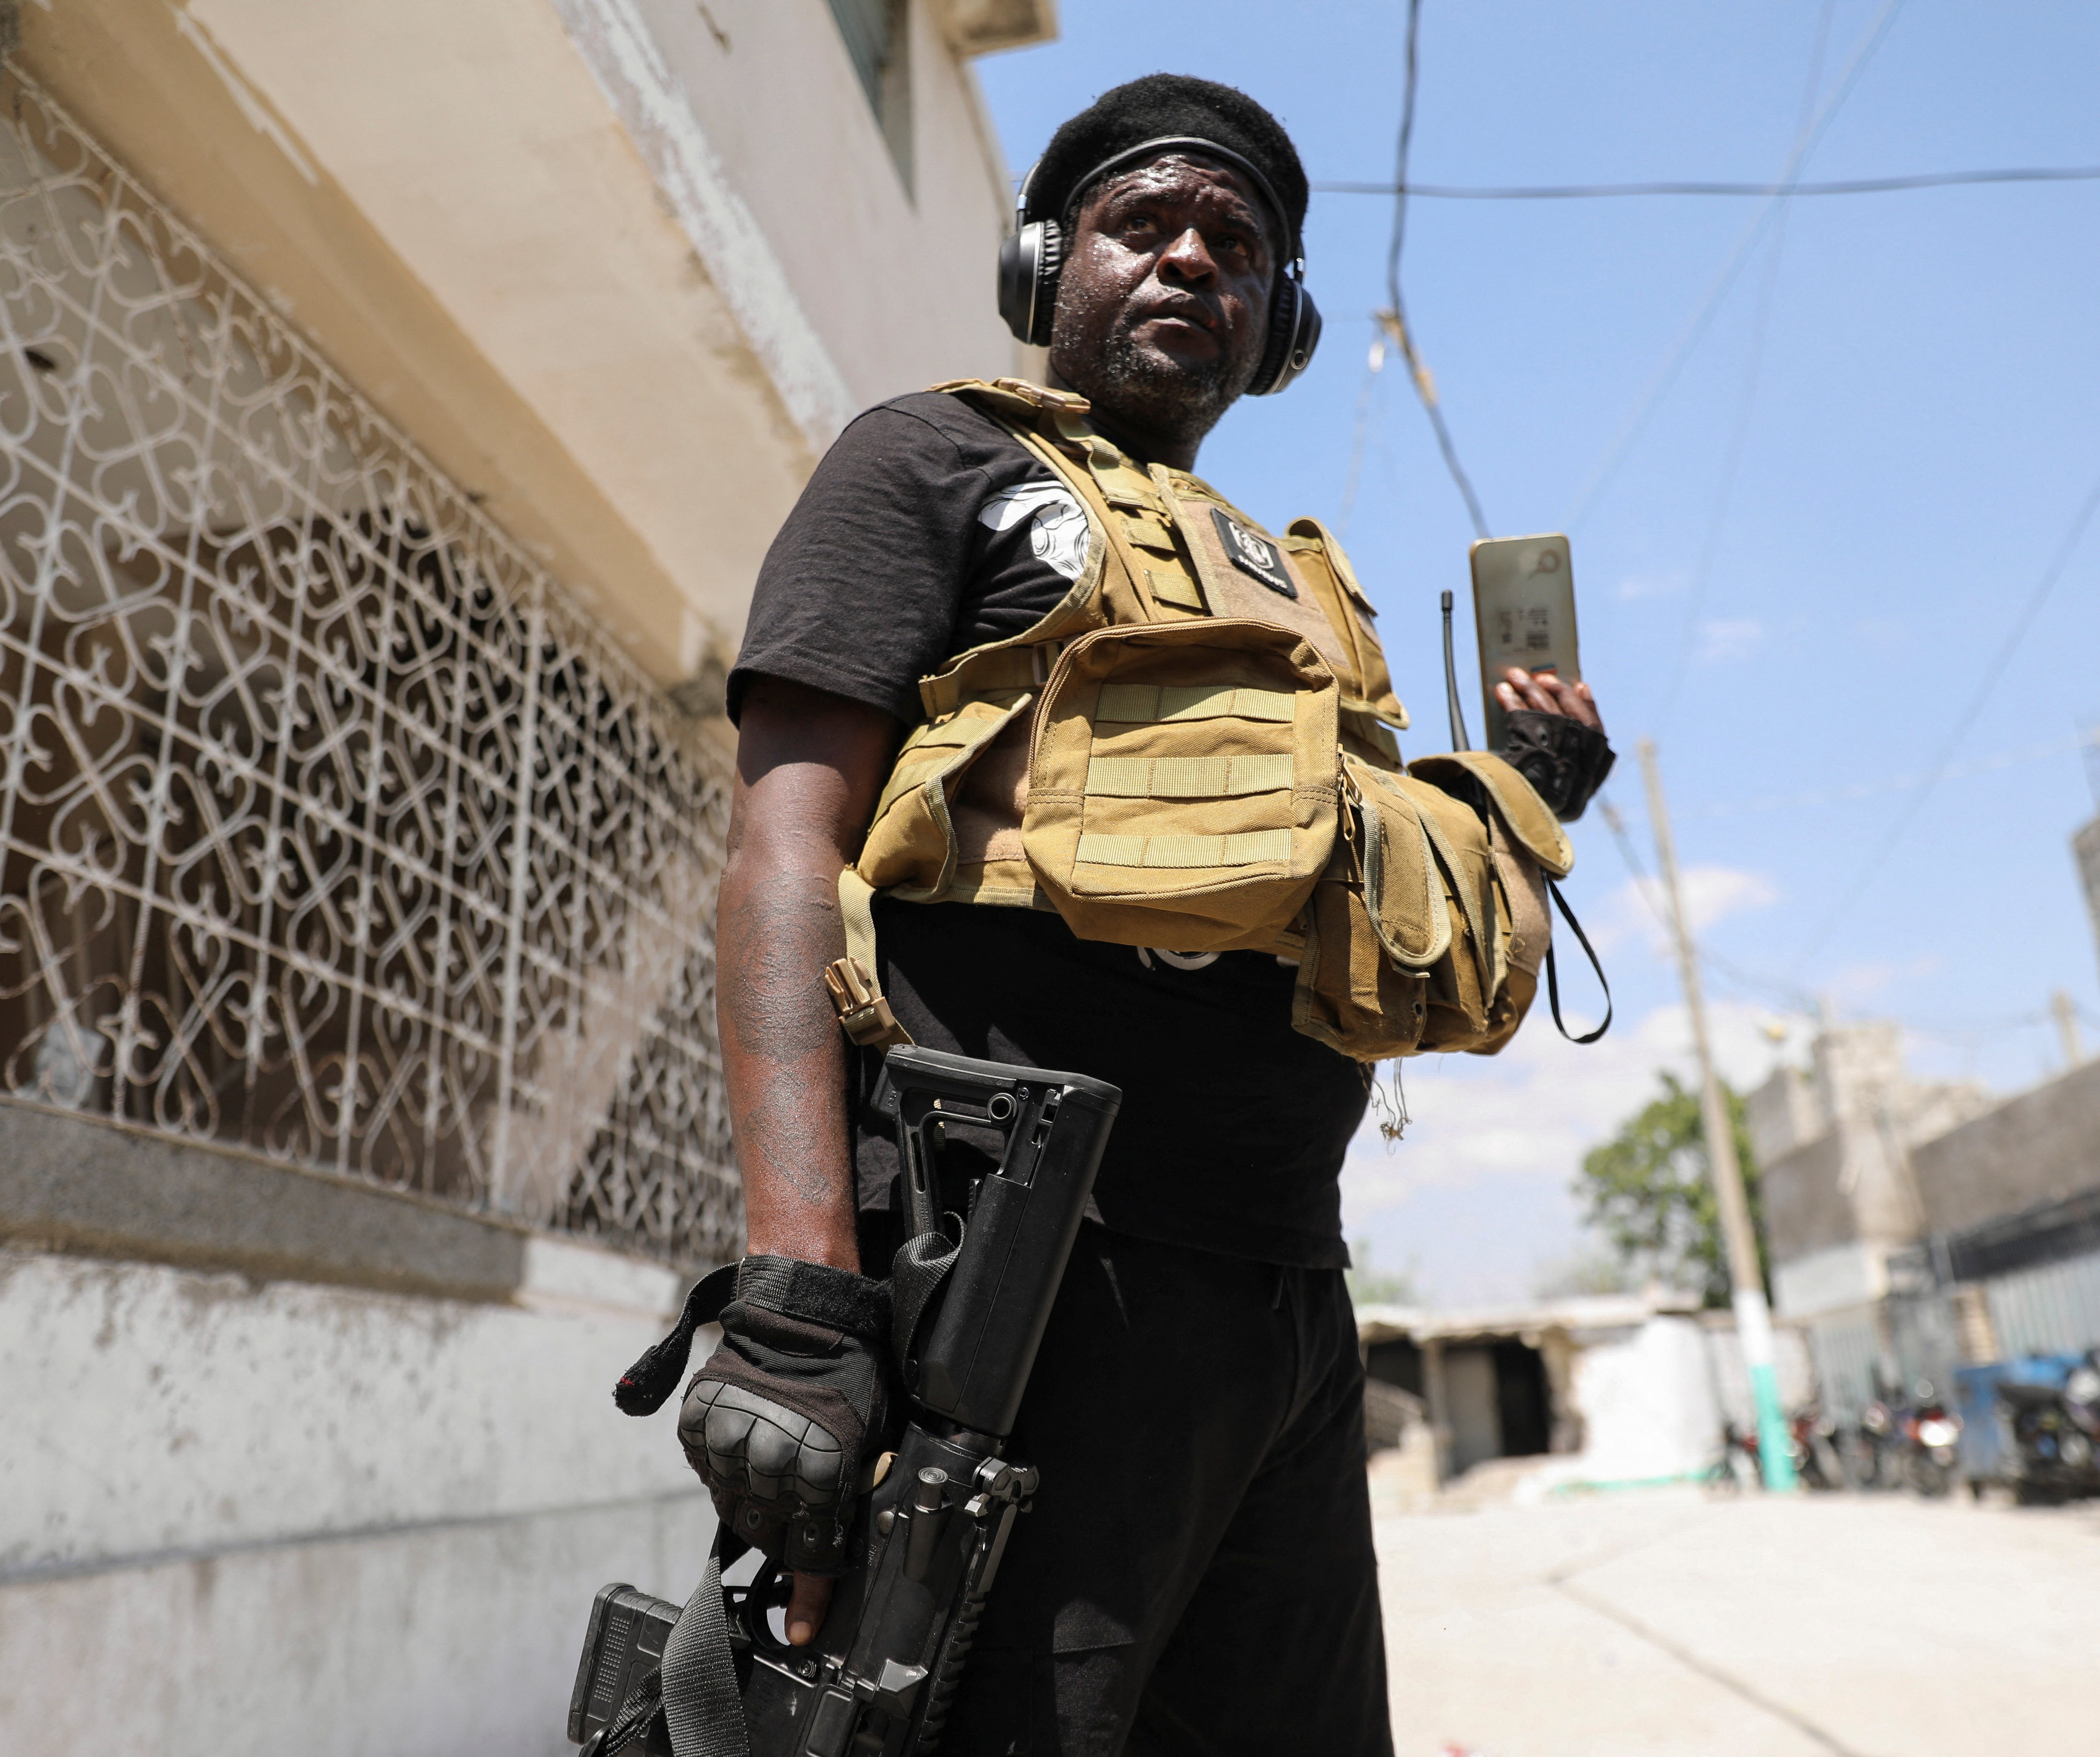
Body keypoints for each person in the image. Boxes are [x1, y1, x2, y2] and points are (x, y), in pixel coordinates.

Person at [678, 74, 1612, 1756]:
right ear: (1049, 266)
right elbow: (781, 852)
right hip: (1029, 1287)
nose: (1191, 260)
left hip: (1288, 1297)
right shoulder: (939, 458)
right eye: (1143, 225)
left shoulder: (1301, 591)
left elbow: (1351, 905)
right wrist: (800, 1284)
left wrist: (1522, 789)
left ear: (1281, 324)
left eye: (1236, 245)